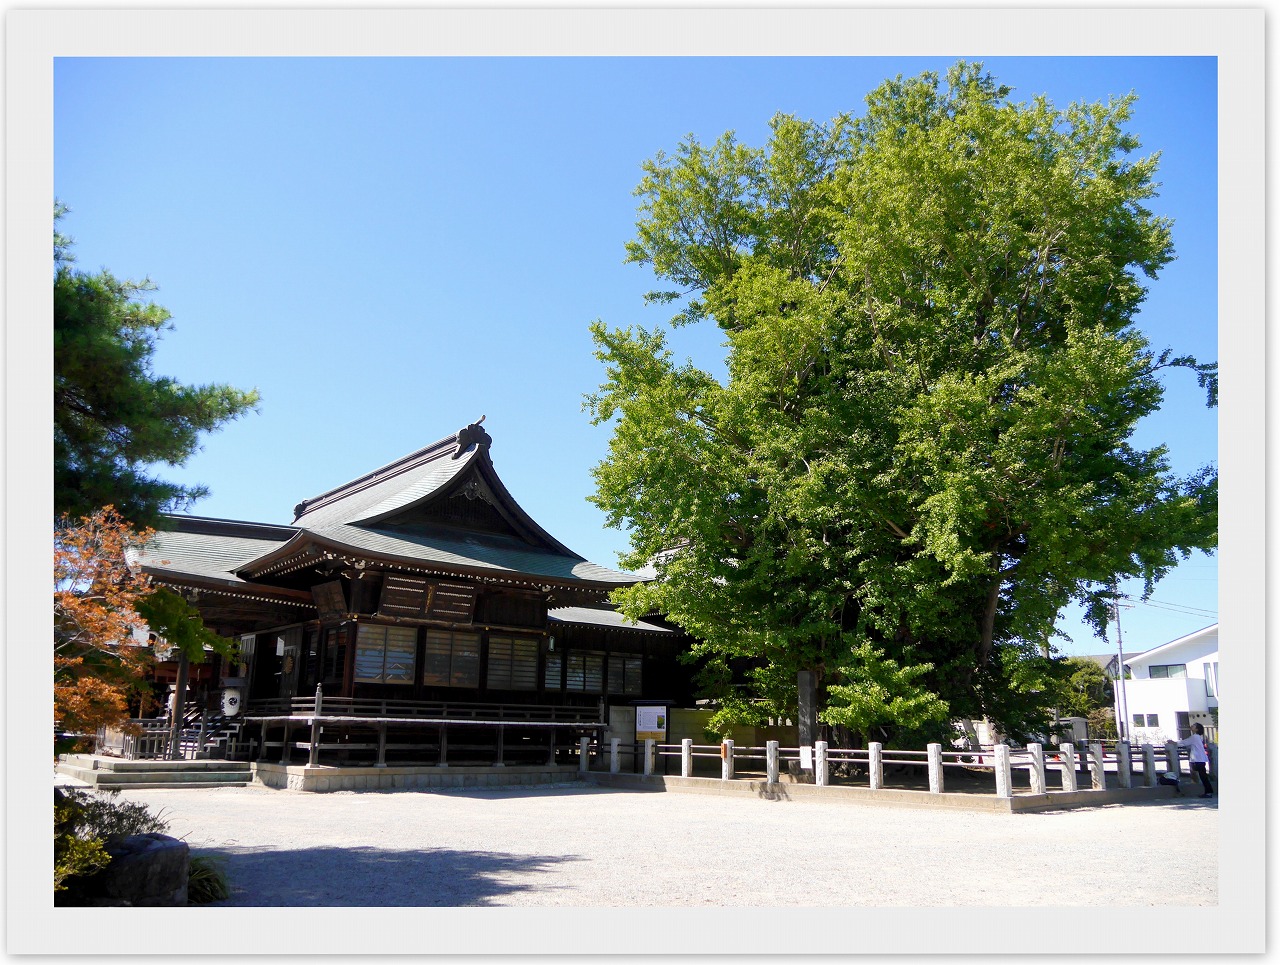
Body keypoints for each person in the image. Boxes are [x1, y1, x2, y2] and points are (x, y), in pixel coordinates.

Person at [1178, 722, 1215, 797]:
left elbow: (1184, 742)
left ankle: (1208, 792)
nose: (1192, 726)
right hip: (1200, 759)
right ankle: (1208, 791)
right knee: (1202, 775)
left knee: (1203, 776)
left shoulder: (1194, 737)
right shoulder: (1198, 737)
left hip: (1198, 759)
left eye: (1194, 726)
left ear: (1197, 729)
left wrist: (1174, 743)